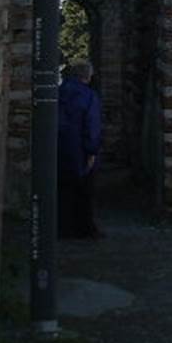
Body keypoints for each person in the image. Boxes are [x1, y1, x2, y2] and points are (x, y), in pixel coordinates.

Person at [57, 60, 102, 239]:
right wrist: (92, 151)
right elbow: (92, 126)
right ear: (88, 77)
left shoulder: (59, 92)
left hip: (59, 148)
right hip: (79, 150)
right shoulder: (89, 96)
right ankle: (84, 229)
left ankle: (62, 227)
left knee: (63, 190)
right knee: (84, 191)